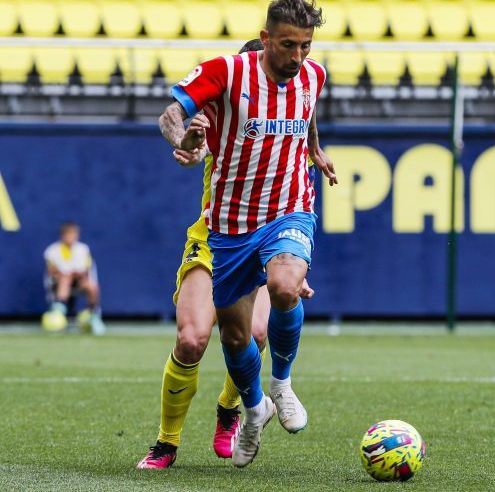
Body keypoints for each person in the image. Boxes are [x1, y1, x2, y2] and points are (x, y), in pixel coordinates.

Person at [138, 38, 338, 469]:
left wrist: (314, 148)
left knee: (259, 332)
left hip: (273, 234)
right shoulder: (226, 107)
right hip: (217, 235)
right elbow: (182, 126)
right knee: (191, 340)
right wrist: (188, 145)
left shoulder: (297, 95)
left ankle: (236, 408)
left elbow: (307, 113)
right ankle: (166, 442)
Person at [43, 221, 105, 335]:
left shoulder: (83, 249)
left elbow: (85, 270)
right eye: (68, 234)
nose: (71, 237)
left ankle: (93, 314)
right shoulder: (52, 250)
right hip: (59, 282)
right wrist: (66, 274)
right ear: (62, 235)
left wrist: (73, 274)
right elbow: (51, 270)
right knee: (65, 278)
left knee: (92, 286)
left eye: (73, 234)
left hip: (79, 281)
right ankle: (58, 311)